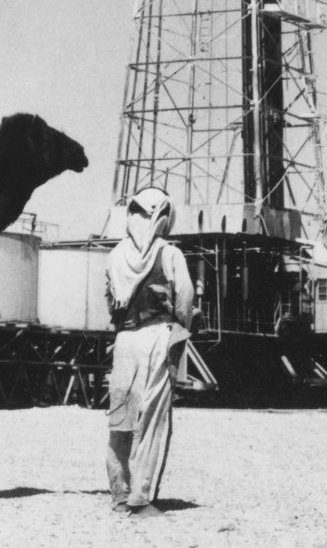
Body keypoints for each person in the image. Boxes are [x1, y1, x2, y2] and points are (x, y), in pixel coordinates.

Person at [105, 188, 194, 518]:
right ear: (163, 217)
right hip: (159, 335)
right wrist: (179, 335)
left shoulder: (115, 255)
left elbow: (109, 300)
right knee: (153, 419)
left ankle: (118, 494)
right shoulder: (170, 254)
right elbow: (184, 299)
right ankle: (140, 500)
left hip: (124, 338)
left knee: (122, 419)